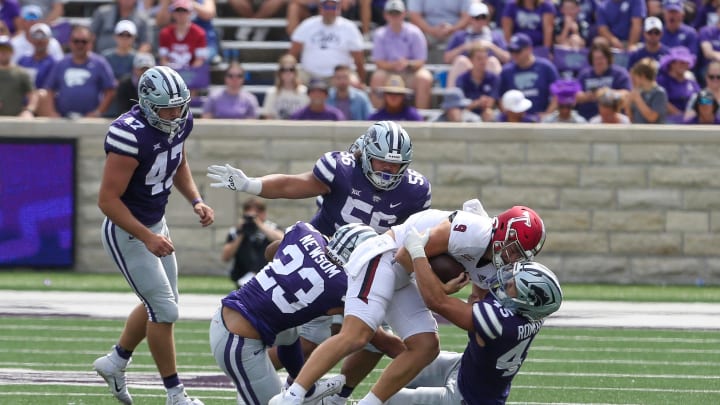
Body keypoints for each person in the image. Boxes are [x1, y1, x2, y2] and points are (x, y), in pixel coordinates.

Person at [207, 120, 431, 403]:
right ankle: (275, 384)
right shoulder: (340, 168)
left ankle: (322, 394)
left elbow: (272, 251)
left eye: (395, 165)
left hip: (361, 264)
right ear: (365, 153)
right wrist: (423, 360)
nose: (387, 170)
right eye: (381, 162)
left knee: (327, 337)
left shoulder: (415, 190)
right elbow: (294, 184)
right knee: (342, 336)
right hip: (333, 266)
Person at [270, 202, 547, 405]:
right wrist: (441, 289)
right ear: (502, 231)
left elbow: (475, 300)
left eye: (519, 256)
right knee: (356, 334)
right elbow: (406, 255)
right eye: (513, 250)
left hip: (407, 274)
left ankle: (371, 403)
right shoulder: (471, 231)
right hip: (385, 257)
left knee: (427, 347)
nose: (512, 259)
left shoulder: (495, 268)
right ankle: (292, 396)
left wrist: (478, 301)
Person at [93, 65, 214, 405]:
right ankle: (176, 395)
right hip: (127, 231)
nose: (176, 114)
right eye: (167, 108)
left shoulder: (180, 122)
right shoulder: (129, 134)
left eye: (180, 106)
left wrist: (196, 199)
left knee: (162, 305)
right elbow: (107, 200)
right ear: (146, 104)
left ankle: (115, 361)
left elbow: (179, 162)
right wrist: (147, 236)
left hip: (155, 225)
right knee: (165, 311)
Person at [211, 222, 384, 405]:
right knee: (273, 402)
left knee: (291, 332)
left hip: (231, 314)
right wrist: (414, 353)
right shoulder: (341, 286)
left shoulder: (305, 232)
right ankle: (303, 389)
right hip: (238, 341)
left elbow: (270, 251)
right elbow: (379, 339)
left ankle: (306, 388)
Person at [384, 246, 563, 405]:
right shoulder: (532, 315)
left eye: (512, 284)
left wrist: (417, 252)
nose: (506, 279)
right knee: (405, 364)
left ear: (525, 300)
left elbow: (436, 301)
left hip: (464, 399)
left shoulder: (499, 323)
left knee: (388, 399)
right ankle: (376, 334)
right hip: (466, 370)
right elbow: (484, 285)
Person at [39, 24, 117, 118]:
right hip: (63, 119)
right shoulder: (61, 64)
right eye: (76, 41)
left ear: (90, 43)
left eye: (84, 41)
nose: (80, 45)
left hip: (90, 121)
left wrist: (98, 112)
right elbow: (49, 89)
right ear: (70, 42)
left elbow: (110, 91)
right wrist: (51, 112)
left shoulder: (100, 63)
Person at [369, 0, 433, 109]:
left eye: (397, 13)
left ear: (404, 14)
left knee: (424, 78)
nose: (394, 16)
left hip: (410, 72)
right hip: (388, 72)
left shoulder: (415, 32)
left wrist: (408, 64)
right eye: (391, 13)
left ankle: (421, 118)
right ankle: (378, 117)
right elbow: (379, 62)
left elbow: (421, 60)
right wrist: (394, 65)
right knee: (377, 77)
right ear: (385, 15)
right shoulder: (380, 34)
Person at [289, 0, 366, 85]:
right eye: (326, 7)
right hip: (309, 74)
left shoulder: (349, 27)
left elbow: (359, 60)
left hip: (340, 75)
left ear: (339, 8)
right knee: (290, 81)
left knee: (353, 83)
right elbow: (292, 54)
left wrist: (361, 82)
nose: (330, 10)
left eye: (333, 7)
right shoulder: (307, 25)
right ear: (320, 8)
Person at [222, 197, 284, 287]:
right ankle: (250, 276)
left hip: (267, 275)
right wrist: (241, 233)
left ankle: (254, 275)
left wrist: (259, 225)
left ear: (263, 214)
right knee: (244, 243)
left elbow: (283, 240)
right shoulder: (236, 231)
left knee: (270, 242)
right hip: (242, 275)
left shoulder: (271, 227)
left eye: (257, 214)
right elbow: (225, 257)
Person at [443, 1, 508, 87]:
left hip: (487, 74)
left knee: (492, 61)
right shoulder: (460, 36)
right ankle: (453, 98)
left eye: (483, 17)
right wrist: (464, 47)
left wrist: (491, 46)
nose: (480, 21)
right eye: (477, 17)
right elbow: (447, 59)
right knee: (461, 61)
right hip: (467, 74)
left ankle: (496, 97)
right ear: (470, 19)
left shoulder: (496, 36)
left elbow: (507, 58)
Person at [498, 32, 559, 117]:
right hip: (515, 121)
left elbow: (557, 95)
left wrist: (547, 115)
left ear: (529, 49)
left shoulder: (546, 67)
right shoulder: (506, 71)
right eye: (511, 51)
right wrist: (511, 117)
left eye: (517, 51)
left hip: (541, 120)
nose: (514, 55)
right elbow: (500, 99)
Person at [575, 42, 632, 121]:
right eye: (596, 59)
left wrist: (606, 94)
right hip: (587, 119)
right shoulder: (584, 75)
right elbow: (576, 96)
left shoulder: (619, 74)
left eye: (602, 58)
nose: (599, 62)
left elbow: (626, 94)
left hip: (613, 119)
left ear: (608, 58)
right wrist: (588, 96)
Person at [455, 42, 500, 122]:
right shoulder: (462, 78)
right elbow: (460, 104)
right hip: (468, 113)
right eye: (479, 58)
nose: (483, 62)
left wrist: (485, 102)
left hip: (487, 111)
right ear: (471, 60)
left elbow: (493, 100)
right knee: (461, 115)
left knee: (489, 114)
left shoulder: (493, 78)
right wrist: (477, 103)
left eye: (485, 58)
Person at [158, 0, 208, 70]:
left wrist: (189, 72)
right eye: (177, 10)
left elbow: (199, 60)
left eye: (184, 10)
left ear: (190, 13)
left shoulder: (199, 33)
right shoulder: (165, 33)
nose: (180, 14)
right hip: (170, 72)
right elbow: (163, 59)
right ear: (173, 13)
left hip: (192, 74)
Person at [656, 46, 700, 123]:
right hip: (669, 121)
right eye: (681, 62)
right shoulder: (662, 81)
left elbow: (701, 98)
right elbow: (661, 101)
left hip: (692, 121)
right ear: (672, 63)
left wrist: (709, 102)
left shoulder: (692, 83)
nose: (684, 65)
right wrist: (680, 115)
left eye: (686, 62)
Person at [261, 54, 309, 120]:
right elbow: (267, 116)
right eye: (284, 70)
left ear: (295, 72)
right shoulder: (272, 93)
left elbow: (307, 116)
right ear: (279, 73)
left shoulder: (304, 92)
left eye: (291, 69)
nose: (288, 72)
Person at [0, 35, 37, 117]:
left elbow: (32, 94)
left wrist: (29, 110)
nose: (2, 52)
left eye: (6, 49)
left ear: (12, 52)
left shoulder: (21, 73)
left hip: (15, 120)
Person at [406, 0, 471, 46]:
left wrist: (452, 29)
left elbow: (467, 16)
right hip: (426, 33)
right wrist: (431, 30)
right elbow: (414, 15)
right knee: (414, 37)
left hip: (455, 32)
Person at [625, 57, 668, 124]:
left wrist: (637, 99)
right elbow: (631, 120)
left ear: (642, 76)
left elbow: (652, 118)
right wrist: (627, 105)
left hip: (654, 133)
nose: (633, 80)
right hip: (637, 132)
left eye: (635, 76)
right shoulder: (638, 92)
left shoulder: (659, 93)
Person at [15, 22, 56, 90]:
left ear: (49, 39)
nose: (39, 40)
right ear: (31, 39)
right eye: (36, 35)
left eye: (43, 36)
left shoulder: (54, 63)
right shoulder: (23, 60)